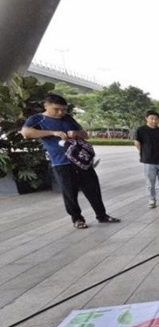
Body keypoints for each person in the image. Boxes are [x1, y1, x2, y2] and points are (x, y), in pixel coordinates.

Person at [21, 94, 120, 229]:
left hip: (81, 161)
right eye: (57, 109)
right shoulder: (38, 119)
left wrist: (76, 133)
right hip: (61, 163)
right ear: (46, 106)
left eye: (63, 109)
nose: (61, 112)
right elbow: (26, 133)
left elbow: (85, 135)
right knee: (70, 193)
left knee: (93, 190)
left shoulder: (68, 118)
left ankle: (102, 215)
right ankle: (77, 219)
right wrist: (53, 133)